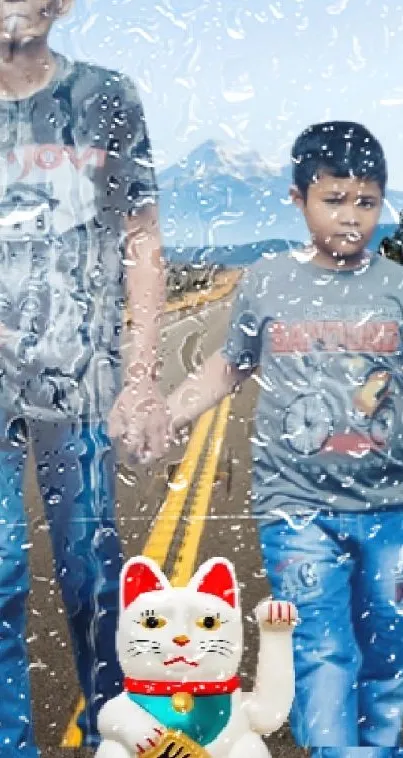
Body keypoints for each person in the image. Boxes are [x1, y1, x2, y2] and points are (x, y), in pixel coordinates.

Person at [155, 121, 403, 757]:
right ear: (298, 198)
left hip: (392, 510)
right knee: (321, 646)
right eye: (335, 199)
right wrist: (169, 415)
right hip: (294, 509)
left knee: (391, 649)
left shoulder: (396, 289)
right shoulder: (266, 281)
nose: (352, 218)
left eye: (367, 201)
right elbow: (228, 366)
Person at [0, 0, 168, 754]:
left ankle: (120, 734)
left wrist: (140, 377)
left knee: (93, 577)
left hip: (80, 376)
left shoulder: (105, 95)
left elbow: (141, 239)